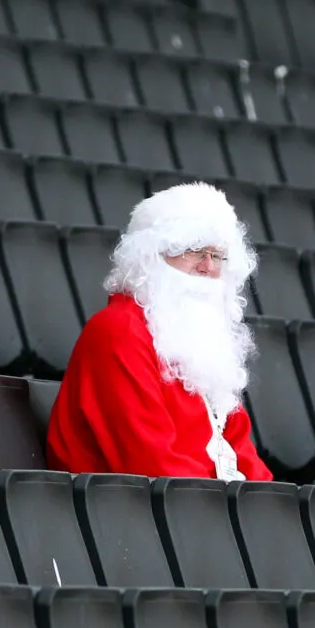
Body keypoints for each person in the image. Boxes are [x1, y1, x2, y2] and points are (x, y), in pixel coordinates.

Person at [46, 182, 273, 481]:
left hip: (198, 501)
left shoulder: (202, 342)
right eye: (193, 250)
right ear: (151, 256)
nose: (207, 267)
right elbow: (148, 463)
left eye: (217, 255)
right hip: (128, 505)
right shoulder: (118, 331)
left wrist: (272, 501)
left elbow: (240, 452)